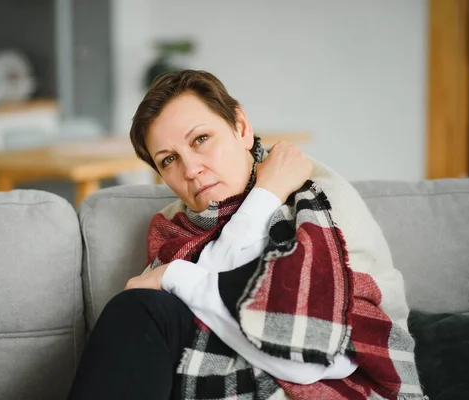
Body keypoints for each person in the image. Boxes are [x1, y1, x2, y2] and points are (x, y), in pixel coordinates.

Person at [68, 70, 424, 400]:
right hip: (216, 370)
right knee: (140, 310)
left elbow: (306, 354)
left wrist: (174, 274)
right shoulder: (176, 226)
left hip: (333, 382)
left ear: (240, 126)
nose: (191, 169)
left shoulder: (319, 201)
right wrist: (263, 196)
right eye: (168, 160)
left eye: (201, 139)